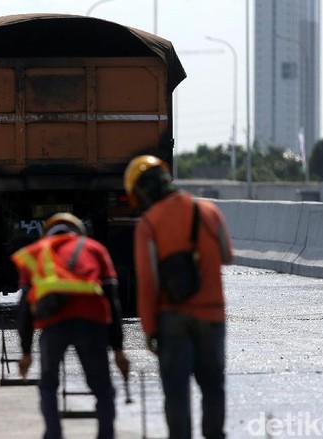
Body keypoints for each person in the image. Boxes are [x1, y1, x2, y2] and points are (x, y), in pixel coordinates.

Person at [124, 155, 233, 439]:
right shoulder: (209, 212)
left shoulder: (148, 225)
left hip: (173, 319)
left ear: (142, 193)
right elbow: (227, 256)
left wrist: (149, 329)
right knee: (213, 386)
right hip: (212, 315)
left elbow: (148, 284)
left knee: (176, 392)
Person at [13, 212, 130, 439]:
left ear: (47, 233)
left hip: (53, 324)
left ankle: (53, 434)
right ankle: (106, 434)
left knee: (48, 384)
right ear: (79, 232)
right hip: (91, 322)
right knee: (102, 388)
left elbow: (25, 308)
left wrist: (26, 352)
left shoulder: (37, 252)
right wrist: (118, 349)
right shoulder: (95, 249)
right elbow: (112, 301)